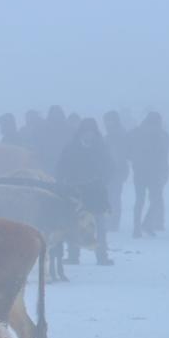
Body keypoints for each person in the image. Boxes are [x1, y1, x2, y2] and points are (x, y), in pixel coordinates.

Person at [56, 118, 113, 265]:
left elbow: (109, 167)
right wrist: (62, 183)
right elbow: (62, 167)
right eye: (86, 132)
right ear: (81, 133)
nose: (89, 135)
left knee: (100, 226)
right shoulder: (70, 148)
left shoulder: (101, 148)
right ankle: (74, 255)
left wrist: (103, 180)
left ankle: (102, 256)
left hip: (96, 192)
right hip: (76, 191)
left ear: (95, 133)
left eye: (91, 132)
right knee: (74, 223)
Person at [128, 111, 169, 238]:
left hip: (152, 172)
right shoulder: (141, 133)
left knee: (152, 200)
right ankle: (139, 226)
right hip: (146, 171)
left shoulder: (138, 133)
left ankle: (144, 224)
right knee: (146, 200)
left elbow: (164, 154)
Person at [102, 111, 129, 231]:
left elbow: (120, 155)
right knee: (111, 197)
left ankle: (113, 223)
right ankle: (111, 221)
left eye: (109, 120)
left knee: (114, 197)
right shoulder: (111, 135)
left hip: (116, 171)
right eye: (106, 120)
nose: (107, 123)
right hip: (110, 171)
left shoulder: (118, 135)